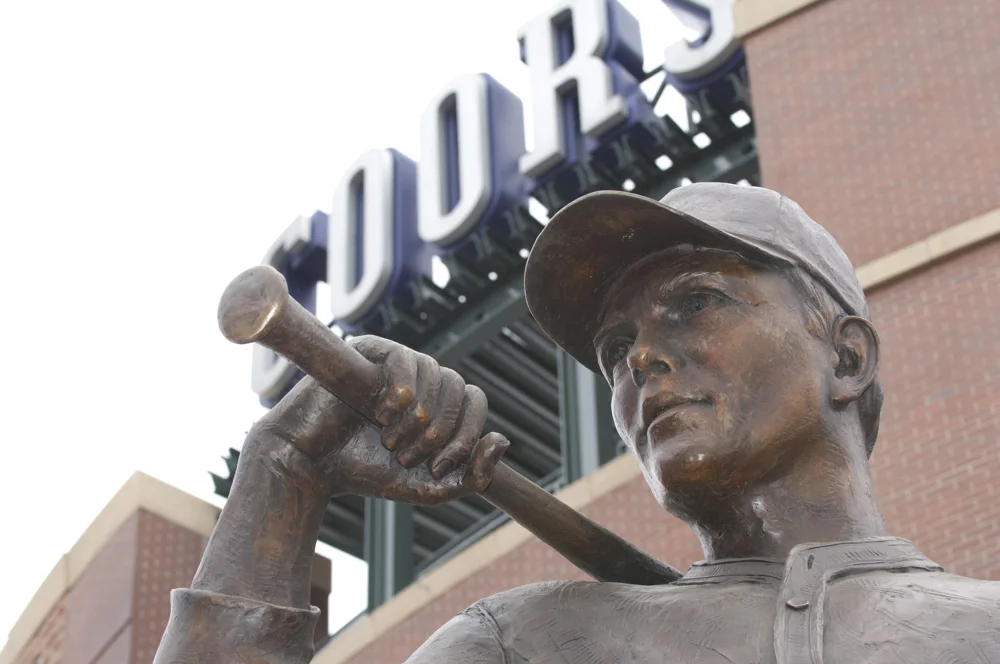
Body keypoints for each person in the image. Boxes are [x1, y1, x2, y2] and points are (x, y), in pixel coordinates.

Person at [153, 183, 1000, 664]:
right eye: (616, 344)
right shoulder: (528, 644)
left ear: (847, 358)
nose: (641, 359)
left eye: (696, 303)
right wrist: (284, 477)